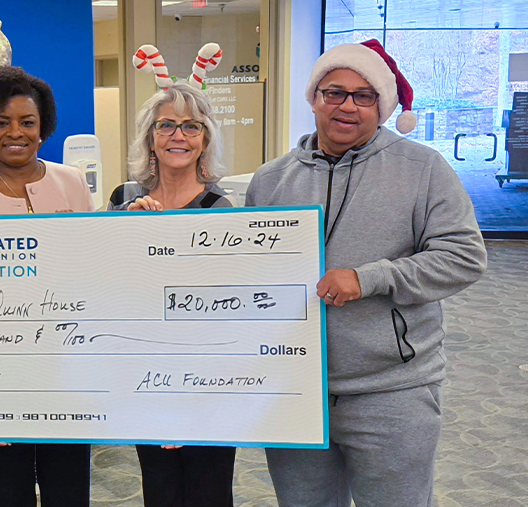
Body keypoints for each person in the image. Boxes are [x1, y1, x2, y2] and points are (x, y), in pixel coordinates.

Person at [245, 39, 487, 506]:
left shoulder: (423, 168)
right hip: (296, 390)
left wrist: (369, 278)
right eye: (334, 92)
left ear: (384, 105)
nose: (347, 106)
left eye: (364, 95)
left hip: (391, 391)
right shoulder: (271, 180)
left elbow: (464, 256)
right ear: (315, 97)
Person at [0, 65, 94, 506]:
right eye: (2, 122)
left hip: (66, 375)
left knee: (69, 493)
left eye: (27, 122)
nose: (16, 133)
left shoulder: (71, 183)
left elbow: (91, 270)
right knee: (9, 495)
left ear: (43, 126)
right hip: (0, 381)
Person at [111, 80, 237, 507]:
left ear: (205, 140)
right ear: (150, 138)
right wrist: (124, 231)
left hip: (209, 382)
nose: (178, 136)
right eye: (166, 125)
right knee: (159, 491)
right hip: (145, 377)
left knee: (208, 491)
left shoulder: (223, 209)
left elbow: (228, 310)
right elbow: (102, 283)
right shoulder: (123, 199)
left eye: (191, 126)